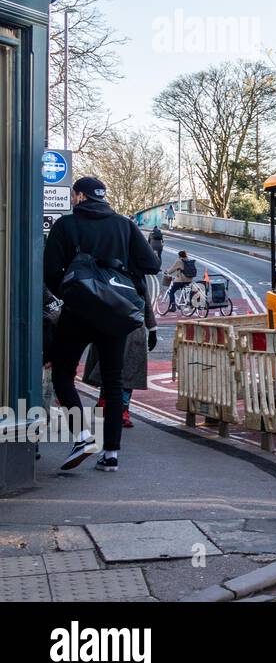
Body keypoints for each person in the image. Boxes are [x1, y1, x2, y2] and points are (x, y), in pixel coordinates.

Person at [43, 176, 160, 472]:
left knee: (63, 374)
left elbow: (48, 271)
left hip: (78, 312)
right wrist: (119, 272)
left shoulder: (66, 226)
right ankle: (111, 454)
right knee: (112, 381)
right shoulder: (124, 224)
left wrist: (71, 291)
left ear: (80, 196)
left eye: (74, 195)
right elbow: (151, 265)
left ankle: (82, 435)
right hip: (115, 314)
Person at [86, 297, 157, 430]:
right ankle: (117, 407)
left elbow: (145, 299)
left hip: (126, 326)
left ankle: (115, 406)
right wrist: (152, 328)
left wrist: (152, 328)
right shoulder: (134, 276)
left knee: (125, 370)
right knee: (116, 368)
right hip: (114, 324)